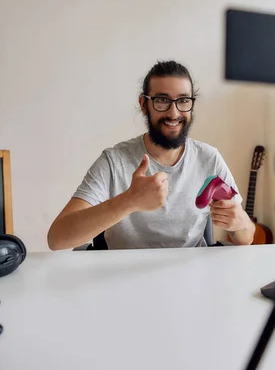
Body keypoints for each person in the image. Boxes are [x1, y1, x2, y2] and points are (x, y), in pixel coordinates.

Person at [47, 60, 255, 250]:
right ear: (144, 104)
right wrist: (129, 200)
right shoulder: (114, 161)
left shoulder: (209, 158)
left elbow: (245, 239)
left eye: (183, 101)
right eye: (162, 100)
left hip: (191, 277)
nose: (174, 113)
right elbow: (57, 239)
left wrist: (242, 223)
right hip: (122, 279)